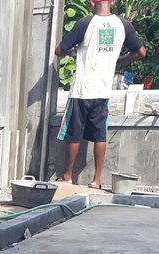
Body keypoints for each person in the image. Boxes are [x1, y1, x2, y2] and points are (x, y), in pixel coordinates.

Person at [55, 0, 146, 188]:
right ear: (112, 2)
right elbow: (140, 53)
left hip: (82, 89)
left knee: (73, 134)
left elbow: (59, 50)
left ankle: (67, 176)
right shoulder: (124, 25)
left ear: (91, 2)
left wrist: (73, 50)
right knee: (99, 135)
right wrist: (119, 60)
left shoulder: (85, 23)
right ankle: (96, 180)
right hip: (103, 91)